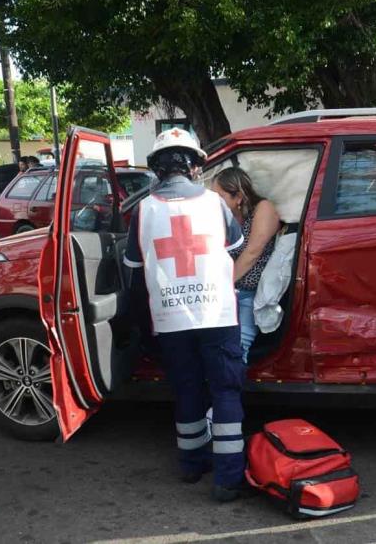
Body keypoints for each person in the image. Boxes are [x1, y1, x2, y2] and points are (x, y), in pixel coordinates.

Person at [123, 128, 252, 502]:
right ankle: (228, 479)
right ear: (196, 166)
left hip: (171, 319)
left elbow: (133, 263)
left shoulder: (143, 210)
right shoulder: (215, 204)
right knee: (225, 390)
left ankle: (192, 465)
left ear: (158, 170)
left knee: (187, 388)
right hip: (217, 313)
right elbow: (236, 246)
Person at [211, 168, 280, 362]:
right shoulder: (224, 217)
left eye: (219, 196)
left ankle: (233, 387)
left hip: (249, 293)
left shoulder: (263, 208)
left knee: (239, 345)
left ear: (238, 196)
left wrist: (225, 284)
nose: (213, 201)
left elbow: (252, 252)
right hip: (224, 293)